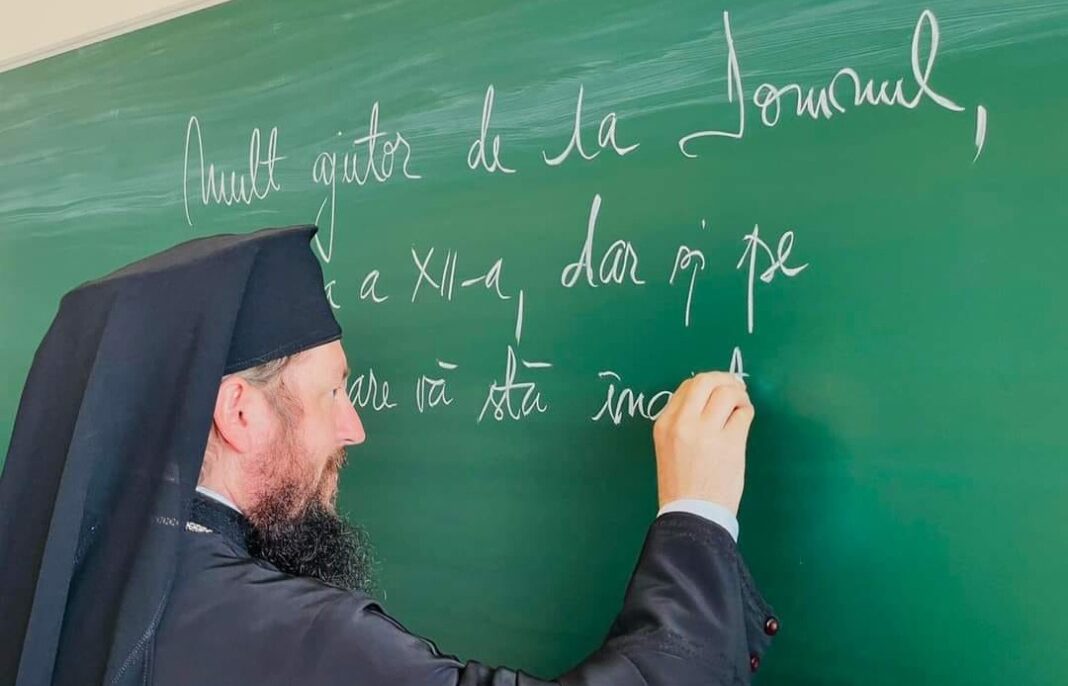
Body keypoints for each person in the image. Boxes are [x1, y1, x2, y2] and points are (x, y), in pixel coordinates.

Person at [0, 225, 776, 686]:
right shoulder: (289, 635)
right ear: (239, 412)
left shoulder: (65, 582)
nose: (354, 428)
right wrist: (697, 515)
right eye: (333, 392)